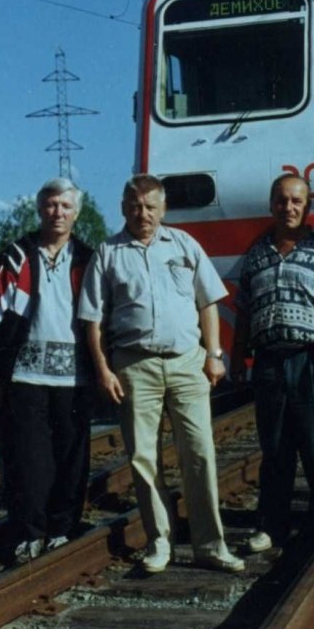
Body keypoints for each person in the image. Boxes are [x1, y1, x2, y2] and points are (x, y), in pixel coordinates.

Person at [78, 174, 245, 574]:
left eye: (151, 207)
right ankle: (159, 543)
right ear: (123, 208)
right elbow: (93, 321)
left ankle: (210, 544)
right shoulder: (107, 253)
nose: (143, 214)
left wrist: (214, 354)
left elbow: (208, 302)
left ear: (163, 209)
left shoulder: (185, 245)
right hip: (135, 365)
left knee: (200, 453)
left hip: (188, 362)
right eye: (135, 207)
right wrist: (103, 369)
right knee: (143, 458)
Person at [230, 174, 314, 554]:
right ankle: (271, 526)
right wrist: (238, 357)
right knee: (275, 447)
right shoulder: (255, 255)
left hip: (312, 359)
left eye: (296, 200)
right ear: (272, 204)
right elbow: (245, 313)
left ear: (307, 206)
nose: (289, 207)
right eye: (281, 200)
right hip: (269, 361)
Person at [0, 177, 95, 565]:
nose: (57, 212)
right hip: (25, 376)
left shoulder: (89, 258)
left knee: (71, 457)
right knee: (28, 459)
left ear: (76, 213)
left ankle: (62, 529)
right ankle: (29, 532)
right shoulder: (16, 256)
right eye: (49, 205)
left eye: (64, 206)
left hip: (76, 378)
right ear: (39, 210)